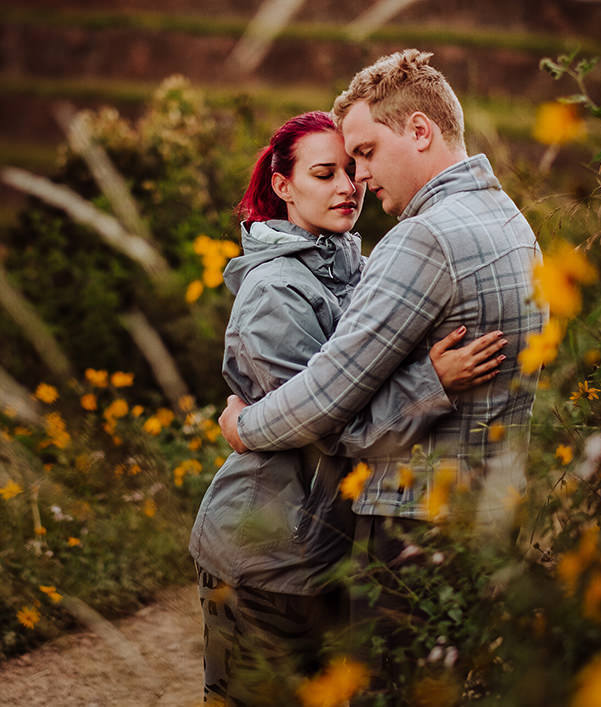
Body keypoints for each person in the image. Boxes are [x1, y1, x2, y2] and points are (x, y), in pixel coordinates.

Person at [217, 50, 547, 696]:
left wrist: (243, 425)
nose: (359, 177)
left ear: (419, 132)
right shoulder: (513, 222)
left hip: (414, 528)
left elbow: (323, 398)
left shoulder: (423, 240)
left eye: (365, 152)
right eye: (340, 163)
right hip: (490, 516)